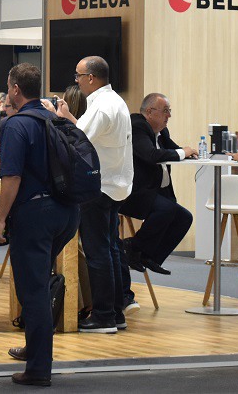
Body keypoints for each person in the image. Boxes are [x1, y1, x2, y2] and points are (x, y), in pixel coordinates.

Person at [0, 63, 81, 387]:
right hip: (67, 212)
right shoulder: (53, 119)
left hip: (35, 214)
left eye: (9, 86)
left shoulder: (16, 125)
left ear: (15, 89)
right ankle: (35, 348)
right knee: (38, 282)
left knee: (33, 290)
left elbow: (13, 177)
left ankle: (39, 368)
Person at [73, 56, 133, 333]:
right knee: (110, 250)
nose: (76, 81)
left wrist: (61, 118)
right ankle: (116, 313)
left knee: (98, 253)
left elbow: (77, 140)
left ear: (91, 78)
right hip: (115, 185)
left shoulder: (101, 106)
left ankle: (104, 315)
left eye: (78, 75)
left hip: (99, 186)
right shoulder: (116, 101)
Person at [120, 93, 196, 277]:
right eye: (165, 111)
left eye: (169, 111)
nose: (169, 115)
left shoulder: (162, 132)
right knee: (167, 210)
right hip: (134, 194)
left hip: (154, 193)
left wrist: (191, 152)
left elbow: (174, 150)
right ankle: (131, 247)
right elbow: (151, 155)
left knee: (184, 218)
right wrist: (183, 152)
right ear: (149, 112)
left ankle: (148, 257)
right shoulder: (137, 126)